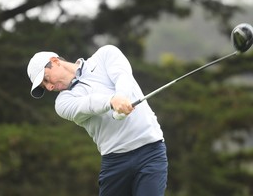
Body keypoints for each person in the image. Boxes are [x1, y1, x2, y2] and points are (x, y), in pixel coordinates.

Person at [27, 45, 168, 196]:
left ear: (55, 61)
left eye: (47, 79)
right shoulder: (63, 103)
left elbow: (123, 77)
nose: (49, 87)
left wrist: (121, 98)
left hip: (150, 151)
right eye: (45, 86)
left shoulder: (105, 55)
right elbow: (89, 104)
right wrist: (111, 101)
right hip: (115, 161)